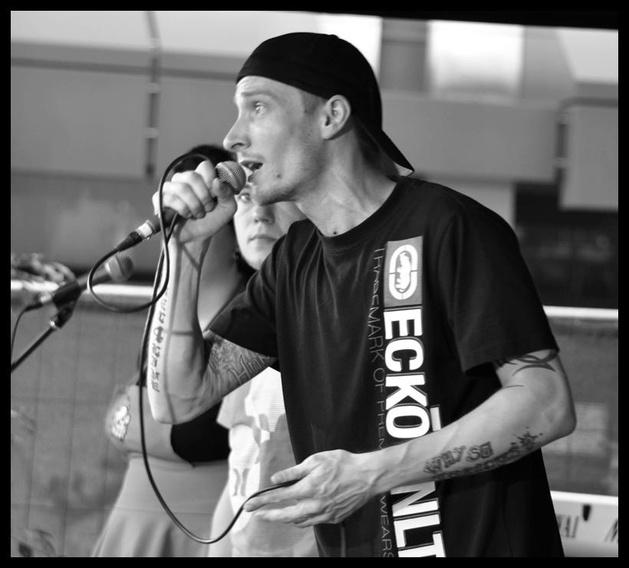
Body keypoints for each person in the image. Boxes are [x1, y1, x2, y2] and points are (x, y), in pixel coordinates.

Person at [145, 33, 577, 557]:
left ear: (332, 116)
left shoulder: (447, 225)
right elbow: (177, 399)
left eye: (257, 108)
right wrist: (183, 251)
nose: (233, 137)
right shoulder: (293, 260)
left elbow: (546, 404)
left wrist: (372, 473)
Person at [91, 145, 239, 557]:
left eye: (193, 210)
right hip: (131, 537)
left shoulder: (253, 319)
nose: (179, 223)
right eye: (171, 212)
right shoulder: (164, 315)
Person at [208, 184, 318, 557]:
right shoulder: (244, 322)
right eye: (244, 197)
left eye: (277, 197)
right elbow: (239, 471)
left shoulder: (328, 315)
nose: (259, 213)